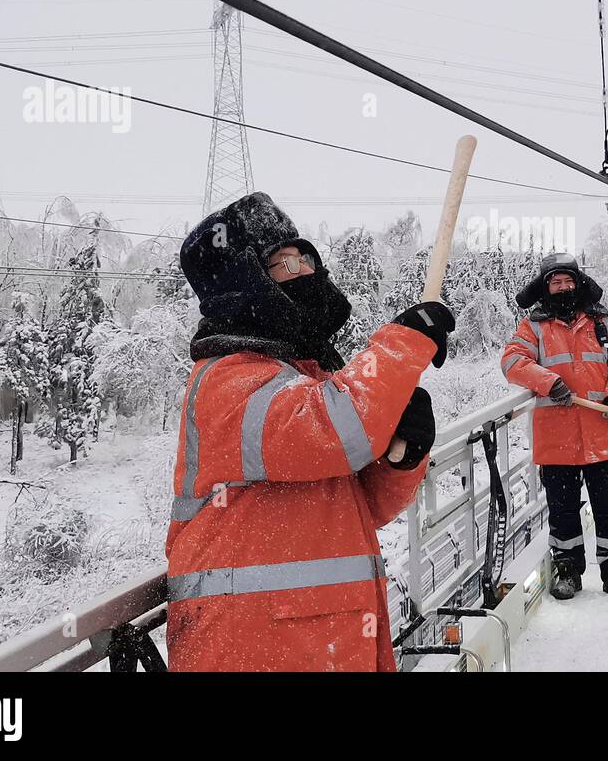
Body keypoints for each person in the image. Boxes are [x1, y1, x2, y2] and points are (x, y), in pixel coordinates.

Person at [165, 192, 454, 671]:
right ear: (244, 284)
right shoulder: (227, 381)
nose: (304, 272)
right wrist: (404, 343)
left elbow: (363, 506)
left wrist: (402, 456)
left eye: (305, 258)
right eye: (281, 263)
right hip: (249, 645)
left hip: (321, 637)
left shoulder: (303, 376)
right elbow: (335, 432)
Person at [500, 254, 608, 601]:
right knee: (562, 509)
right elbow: (512, 362)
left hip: (599, 431)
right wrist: (548, 382)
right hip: (556, 436)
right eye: (555, 282)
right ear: (545, 287)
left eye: (567, 281)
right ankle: (567, 570)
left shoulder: (603, 322)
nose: (562, 288)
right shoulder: (533, 327)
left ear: (578, 283)